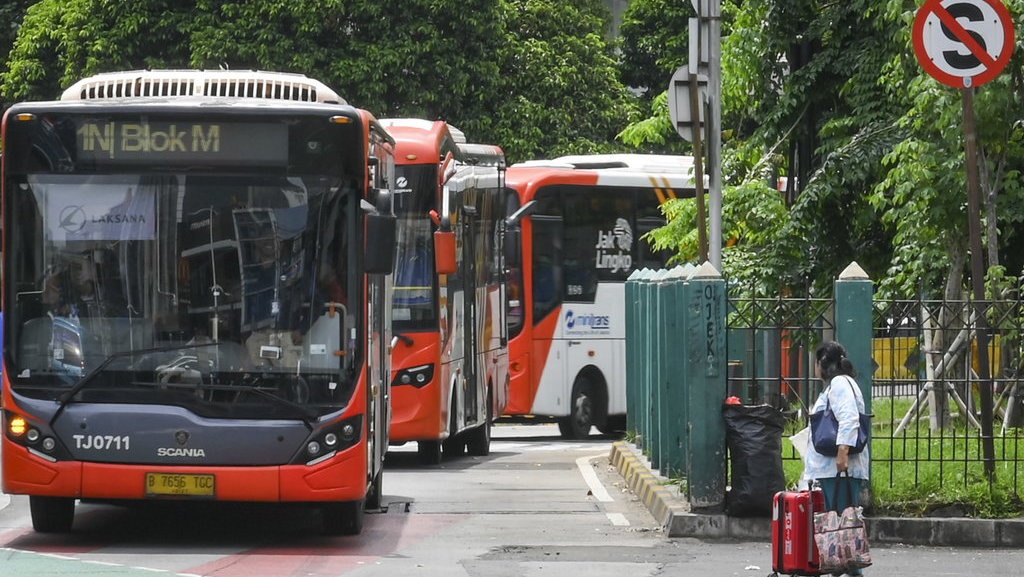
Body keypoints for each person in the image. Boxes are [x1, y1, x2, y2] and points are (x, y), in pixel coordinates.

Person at [803, 340, 869, 577]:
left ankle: (852, 573)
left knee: (842, 529)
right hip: (832, 469)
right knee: (839, 531)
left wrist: (842, 454)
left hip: (838, 469)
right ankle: (844, 572)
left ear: (822, 363)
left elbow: (849, 418)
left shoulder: (840, 383)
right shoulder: (836, 386)